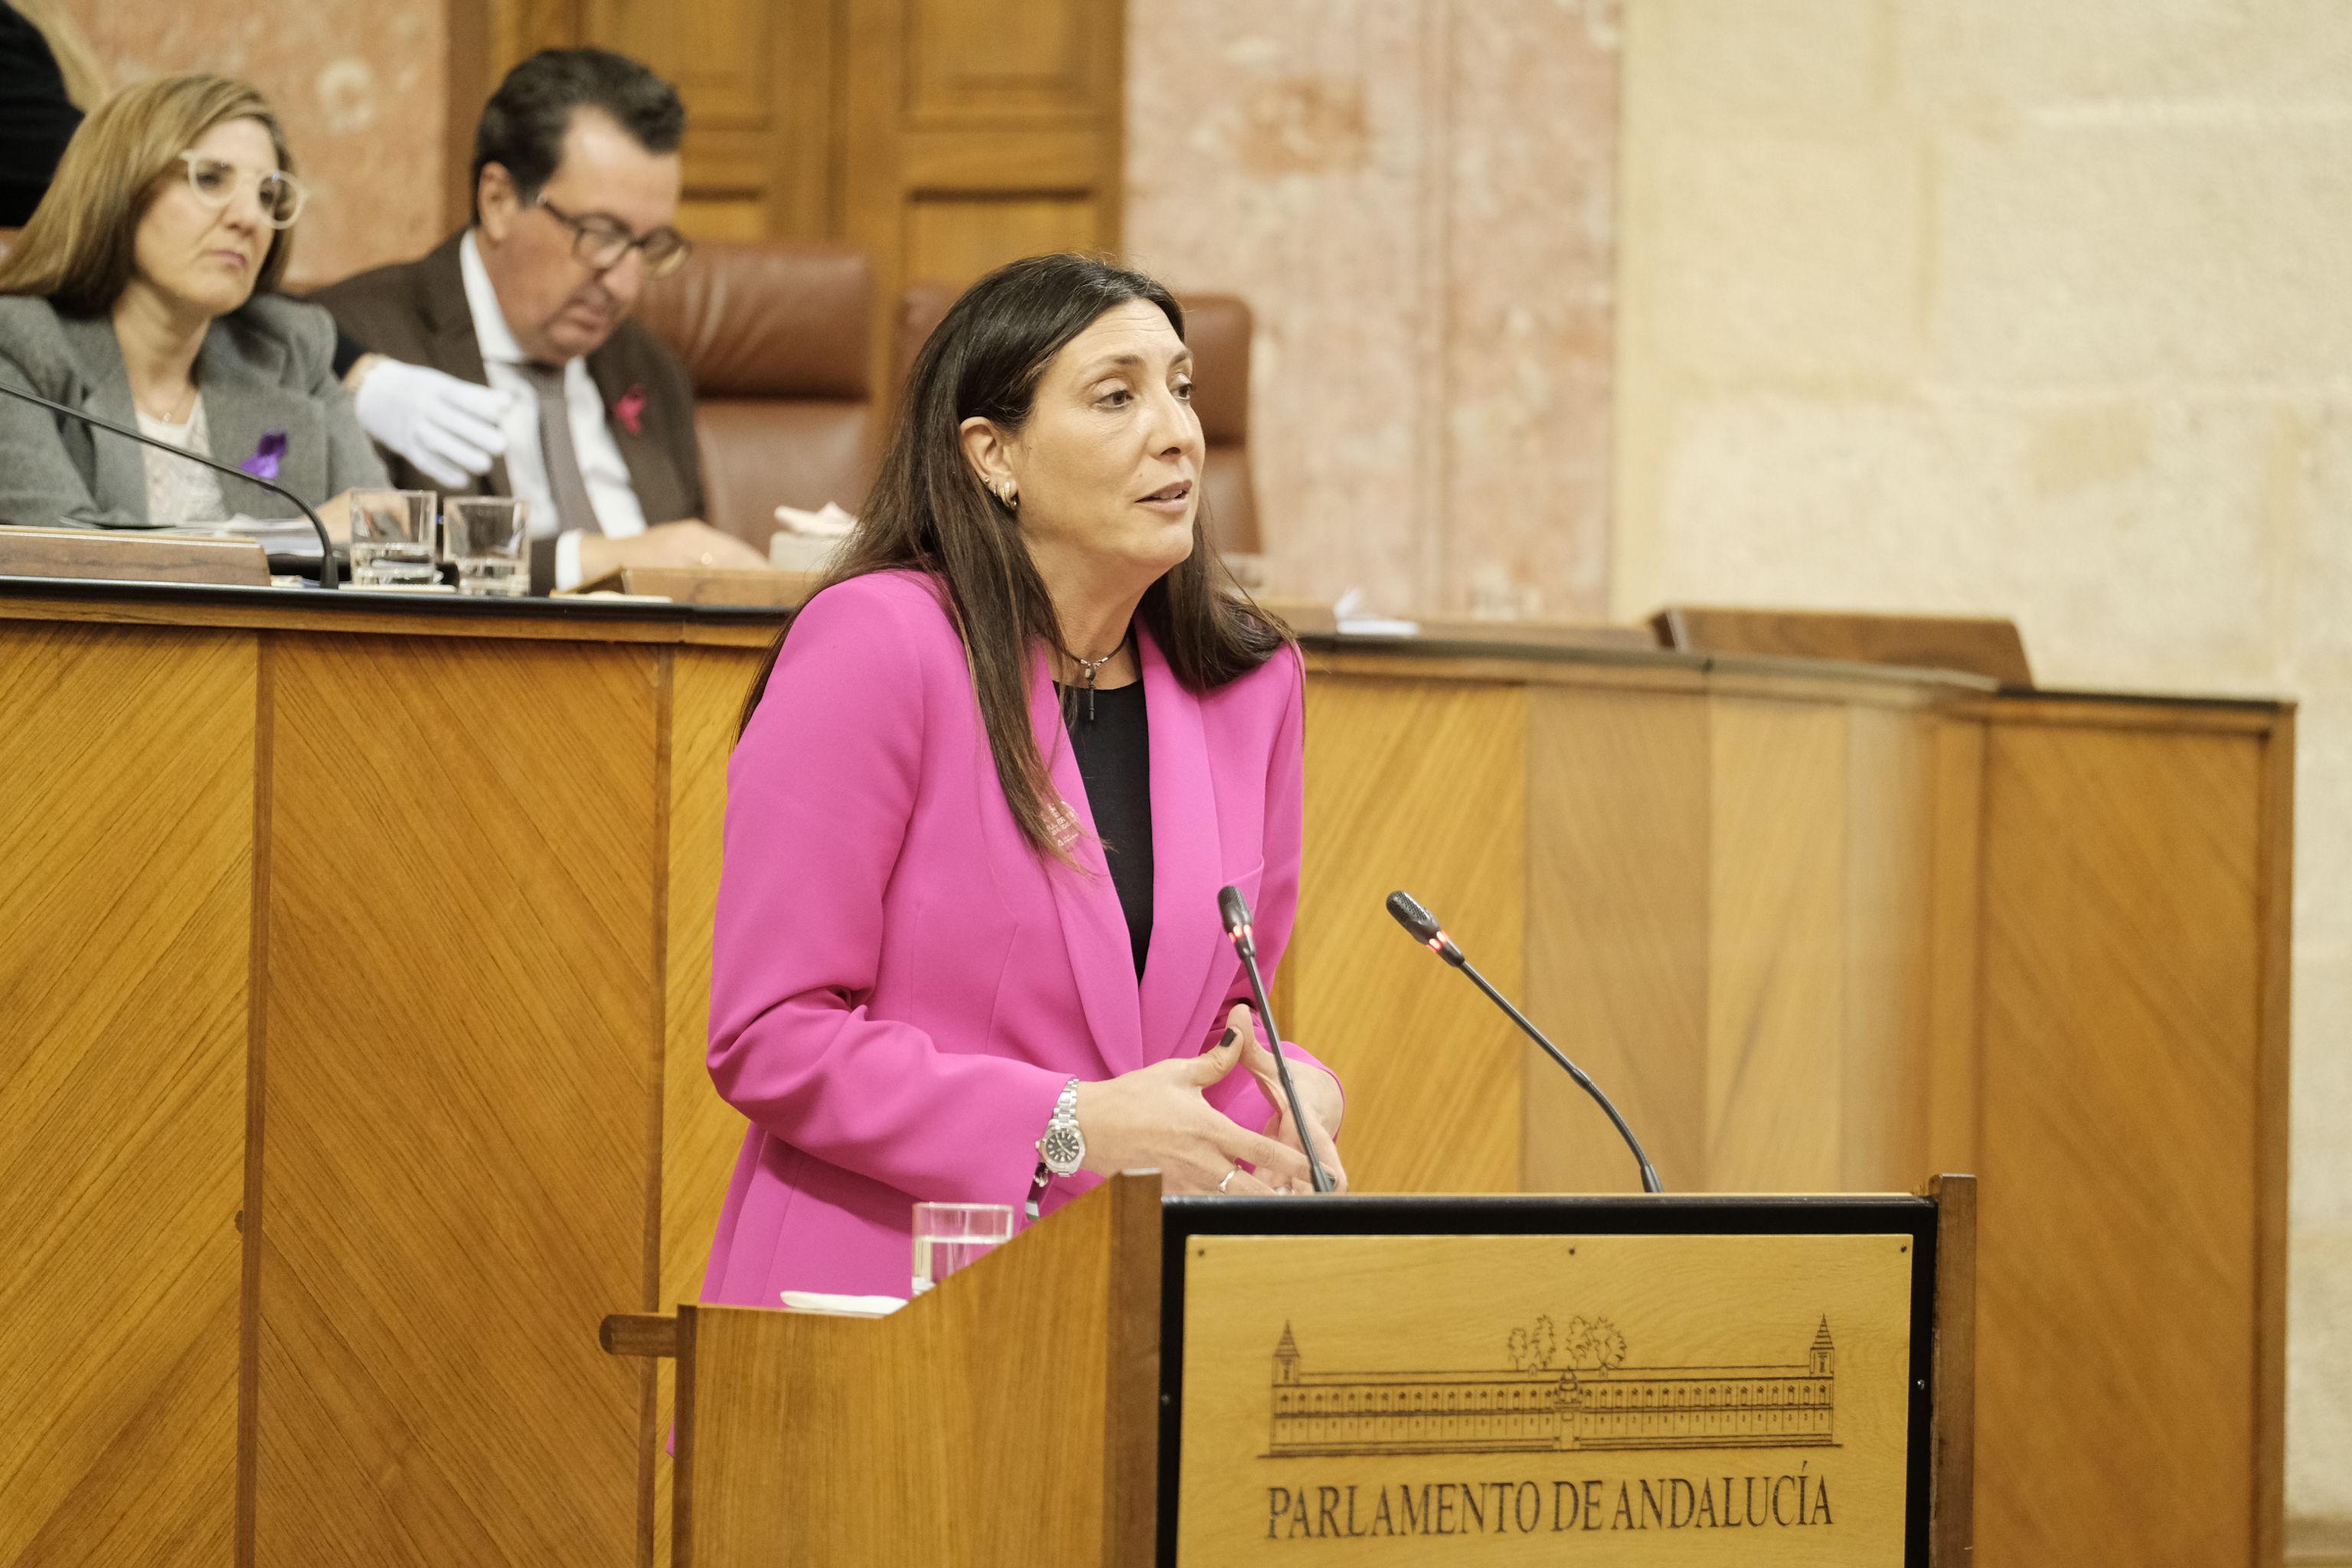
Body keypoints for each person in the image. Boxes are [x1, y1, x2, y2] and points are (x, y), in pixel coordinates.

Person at [697, 253, 1348, 1307]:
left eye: (1182, 388)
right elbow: (771, 1035)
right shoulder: (879, 644)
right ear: (993, 454)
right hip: (884, 1294)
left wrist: (1292, 1086)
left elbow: (1214, 1025)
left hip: (1122, 1302)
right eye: (1116, 396)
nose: (1177, 432)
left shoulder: (1248, 681)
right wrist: (1066, 1125)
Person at [314, 47, 766, 593]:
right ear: (499, 201)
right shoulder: (351, 342)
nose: (625, 285)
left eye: (649, 245)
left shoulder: (650, 366)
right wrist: (584, 560)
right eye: (601, 234)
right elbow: (361, 555)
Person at [0, 74, 386, 529]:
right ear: (120, 190)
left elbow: (386, 529)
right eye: (210, 178)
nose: (249, 218)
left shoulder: (290, 348)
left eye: (267, 195)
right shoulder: (19, 344)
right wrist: (292, 537)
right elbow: (62, 553)